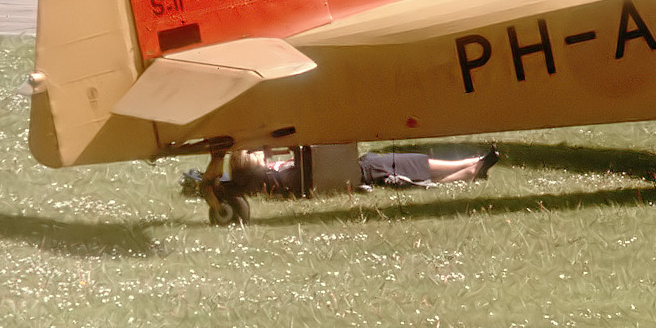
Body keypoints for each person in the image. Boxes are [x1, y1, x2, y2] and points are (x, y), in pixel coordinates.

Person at [206, 146, 502, 198]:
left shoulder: (268, 175)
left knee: (404, 163)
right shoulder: (269, 180)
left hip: (357, 167)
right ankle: (470, 166)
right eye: (255, 154)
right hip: (359, 172)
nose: (262, 153)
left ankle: (470, 167)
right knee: (404, 164)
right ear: (247, 164)